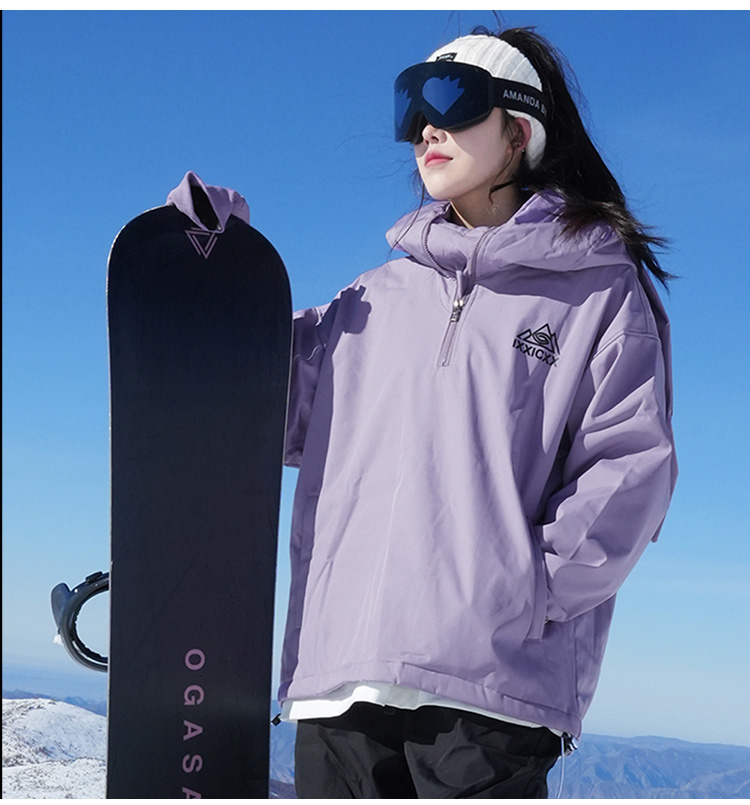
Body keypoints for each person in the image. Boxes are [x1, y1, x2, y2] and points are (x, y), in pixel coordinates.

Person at [170, 24, 677, 800]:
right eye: (411, 106)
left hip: (489, 695)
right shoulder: (372, 300)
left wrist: (527, 592)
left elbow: (629, 469)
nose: (425, 128)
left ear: (520, 130)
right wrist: (222, 265)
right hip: (343, 677)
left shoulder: (599, 295)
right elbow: (263, 403)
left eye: (450, 99)